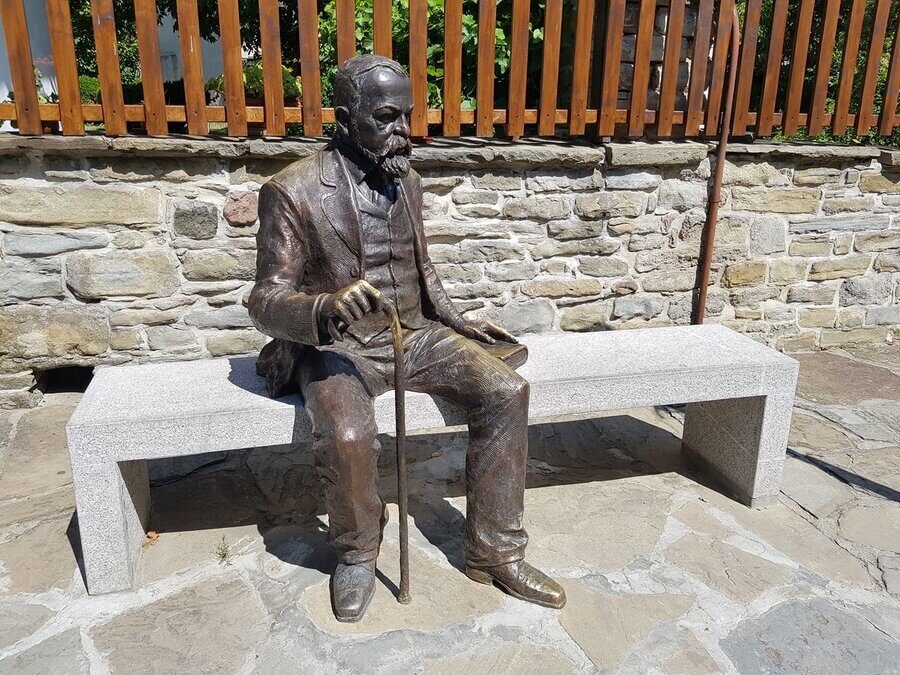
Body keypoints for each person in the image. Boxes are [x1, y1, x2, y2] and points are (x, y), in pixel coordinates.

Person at [248, 54, 565, 623]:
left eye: (407, 116)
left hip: (415, 335)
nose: (403, 130)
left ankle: (495, 552)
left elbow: (420, 267)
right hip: (338, 347)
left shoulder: (407, 180)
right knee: (347, 434)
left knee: (506, 392)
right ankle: (357, 551)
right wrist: (322, 307)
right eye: (387, 117)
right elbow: (265, 299)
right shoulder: (291, 191)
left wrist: (458, 319)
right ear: (345, 119)